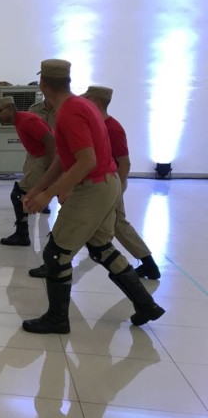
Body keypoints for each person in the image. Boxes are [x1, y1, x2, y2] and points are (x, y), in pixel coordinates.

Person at [21, 59, 164, 334]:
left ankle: (57, 319)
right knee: (101, 248)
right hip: (107, 183)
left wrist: (48, 194)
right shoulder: (79, 106)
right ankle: (146, 305)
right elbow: (65, 157)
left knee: (56, 253)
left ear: (43, 84)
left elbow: (86, 161)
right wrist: (39, 188)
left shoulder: (70, 112)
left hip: (93, 187)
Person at [82, 85, 160, 279]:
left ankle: (148, 264)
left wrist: (118, 188)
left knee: (119, 225)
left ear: (96, 102)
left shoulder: (113, 128)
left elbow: (124, 162)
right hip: (99, 183)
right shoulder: (96, 125)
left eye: (87, 98)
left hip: (111, 183)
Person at [0, 96, 56, 246]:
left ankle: (22, 235)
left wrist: (51, 168)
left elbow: (51, 141)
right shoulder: (21, 120)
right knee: (23, 194)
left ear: (9, 109)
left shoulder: (26, 121)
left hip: (44, 159)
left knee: (18, 194)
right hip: (37, 157)